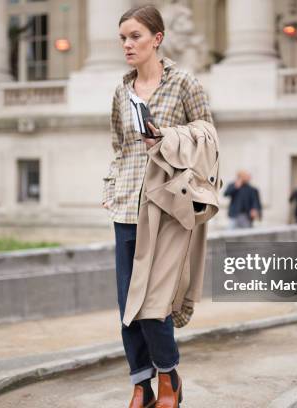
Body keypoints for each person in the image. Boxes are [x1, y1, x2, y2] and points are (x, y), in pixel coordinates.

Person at [101, 5, 213, 408]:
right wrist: (111, 186)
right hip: (125, 209)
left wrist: (165, 136)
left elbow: (208, 136)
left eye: (135, 36)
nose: (127, 45)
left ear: (157, 39)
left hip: (168, 209)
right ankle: (140, 386)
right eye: (123, 38)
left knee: (154, 305)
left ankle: (169, 378)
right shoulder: (121, 89)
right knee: (127, 308)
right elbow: (119, 147)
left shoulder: (184, 83)